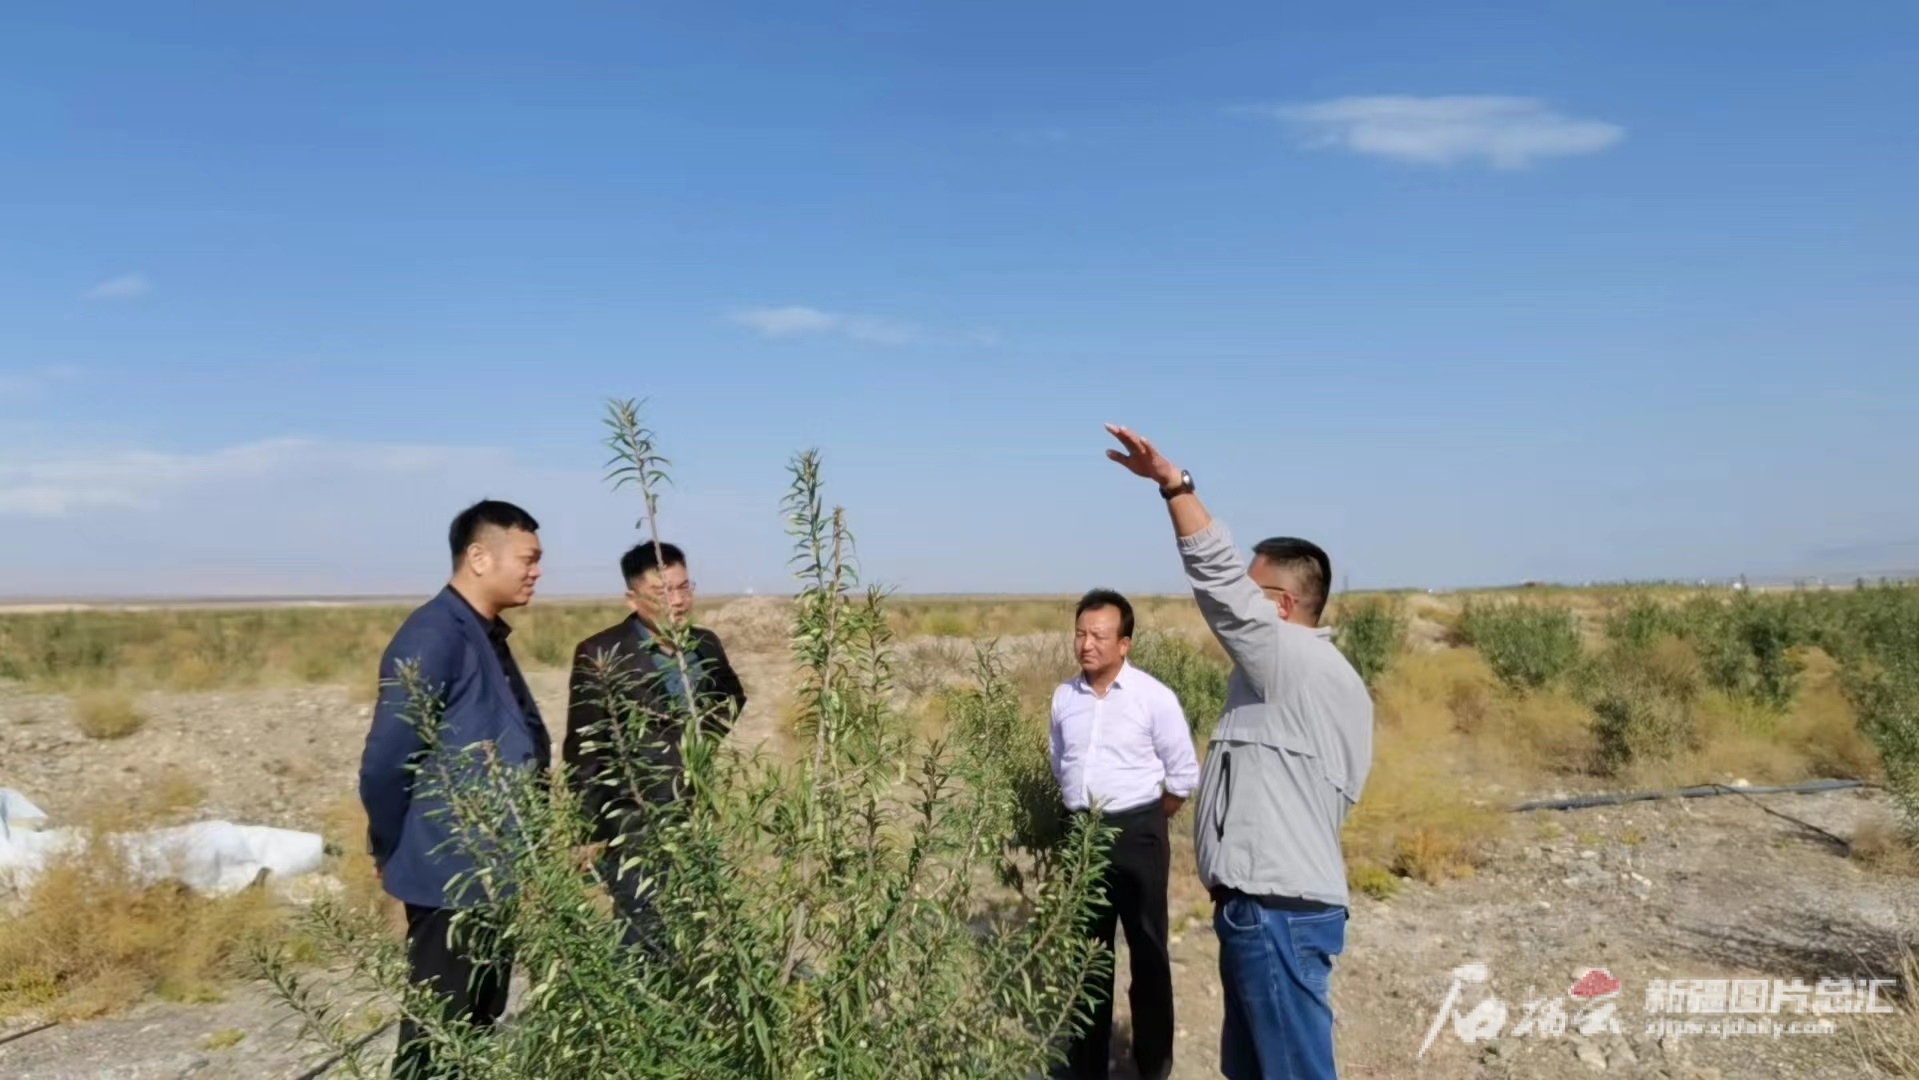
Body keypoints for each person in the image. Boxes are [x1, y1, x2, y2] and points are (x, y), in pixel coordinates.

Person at [1104, 424, 1374, 1080]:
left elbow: (1219, 583)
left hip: (1275, 910)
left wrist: (1174, 487)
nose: (1243, 611)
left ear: (1280, 607)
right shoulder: (1324, 680)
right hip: (1278, 908)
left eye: (1257, 598)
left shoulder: (1289, 660)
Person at [358, 499, 552, 1079]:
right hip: (451, 872)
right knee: (438, 1032)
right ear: (477, 556)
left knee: (475, 1023)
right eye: (528, 558)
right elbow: (385, 763)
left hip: (491, 870)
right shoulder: (434, 635)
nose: (537, 571)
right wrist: (391, 846)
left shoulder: (481, 633)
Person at [562, 540, 747, 948]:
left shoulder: (704, 643)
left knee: (694, 917)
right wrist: (587, 829)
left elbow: (731, 696)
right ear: (633, 599)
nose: (678, 601)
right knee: (643, 926)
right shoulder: (600, 652)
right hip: (632, 815)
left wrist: (700, 741)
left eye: (684, 587)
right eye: (662, 592)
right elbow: (583, 747)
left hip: (694, 810)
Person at [1049, 588, 1198, 1080]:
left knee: (1149, 952)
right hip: (1082, 835)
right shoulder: (1063, 698)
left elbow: (1182, 775)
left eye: (1099, 635)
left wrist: (1150, 820)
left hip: (1138, 833)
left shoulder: (1153, 697)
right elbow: (1060, 763)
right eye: (1080, 633)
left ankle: (1152, 1064)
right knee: (1088, 957)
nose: (1086, 644)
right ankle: (1087, 1066)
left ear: (1125, 643)